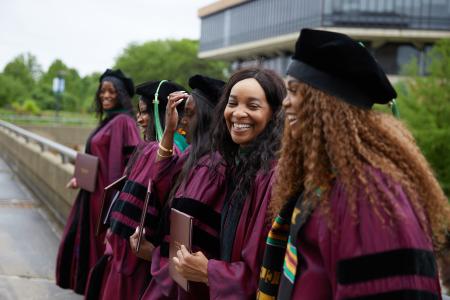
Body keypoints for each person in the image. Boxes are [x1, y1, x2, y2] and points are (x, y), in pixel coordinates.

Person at [258, 28, 450, 300]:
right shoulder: (328, 181)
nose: (285, 103)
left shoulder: (368, 194)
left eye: (295, 91)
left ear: (326, 104)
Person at [168, 68, 286, 299]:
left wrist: (210, 272)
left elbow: (265, 271)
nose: (238, 113)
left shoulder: (272, 176)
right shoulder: (239, 165)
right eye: (232, 103)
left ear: (274, 114)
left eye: (252, 106)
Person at [84, 80, 187, 300]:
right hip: (127, 254)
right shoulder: (158, 149)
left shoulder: (163, 152)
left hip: (133, 260)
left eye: (144, 113)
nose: (139, 119)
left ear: (161, 114)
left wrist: (115, 234)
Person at [134, 74, 226, 299]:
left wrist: (155, 254)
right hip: (170, 277)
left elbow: (196, 240)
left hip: (184, 286)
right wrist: (169, 131)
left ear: (207, 118)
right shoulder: (191, 156)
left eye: (190, 114)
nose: (184, 121)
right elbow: (161, 183)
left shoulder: (216, 167)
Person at [56, 69, 141, 294]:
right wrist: (80, 177)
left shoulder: (124, 122)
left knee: (99, 248)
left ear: (121, 94)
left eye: (111, 91)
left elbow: (132, 163)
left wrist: (119, 203)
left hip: (106, 200)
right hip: (91, 193)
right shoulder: (109, 120)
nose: (105, 95)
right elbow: (98, 158)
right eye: (102, 91)